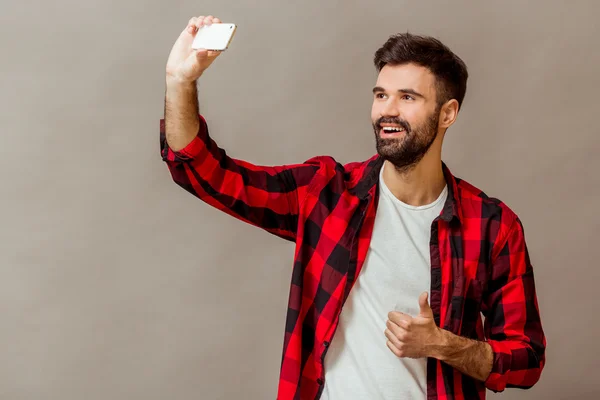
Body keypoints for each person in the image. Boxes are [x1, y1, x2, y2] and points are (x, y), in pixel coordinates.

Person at [160, 14, 546, 400]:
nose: (387, 111)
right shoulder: (326, 194)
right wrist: (180, 81)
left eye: (407, 97)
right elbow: (207, 174)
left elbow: (527, 360)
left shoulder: (493, 226)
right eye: (381, 95)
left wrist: (442, 345)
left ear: (447, 113)